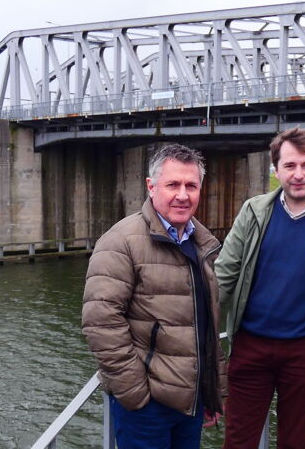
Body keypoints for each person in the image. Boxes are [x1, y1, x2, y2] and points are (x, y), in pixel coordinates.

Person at [214, 127, 305, 449]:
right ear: (276, 169)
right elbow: (222, 278)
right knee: (238, 440)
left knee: (296, 443)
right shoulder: (253, 213)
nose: (298, 175)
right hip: (250, 347)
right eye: (289, 166)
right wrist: (203, 342)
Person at [82, 143, 225, 449]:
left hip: (190, 401)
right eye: (172, 184)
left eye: (191, 185)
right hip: (148, 407)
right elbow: (100, 322)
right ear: (151, 186)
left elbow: (205, 325)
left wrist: (211, 391)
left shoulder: (201, 242)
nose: (183, 195)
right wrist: (136, 395)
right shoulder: (120, 242)